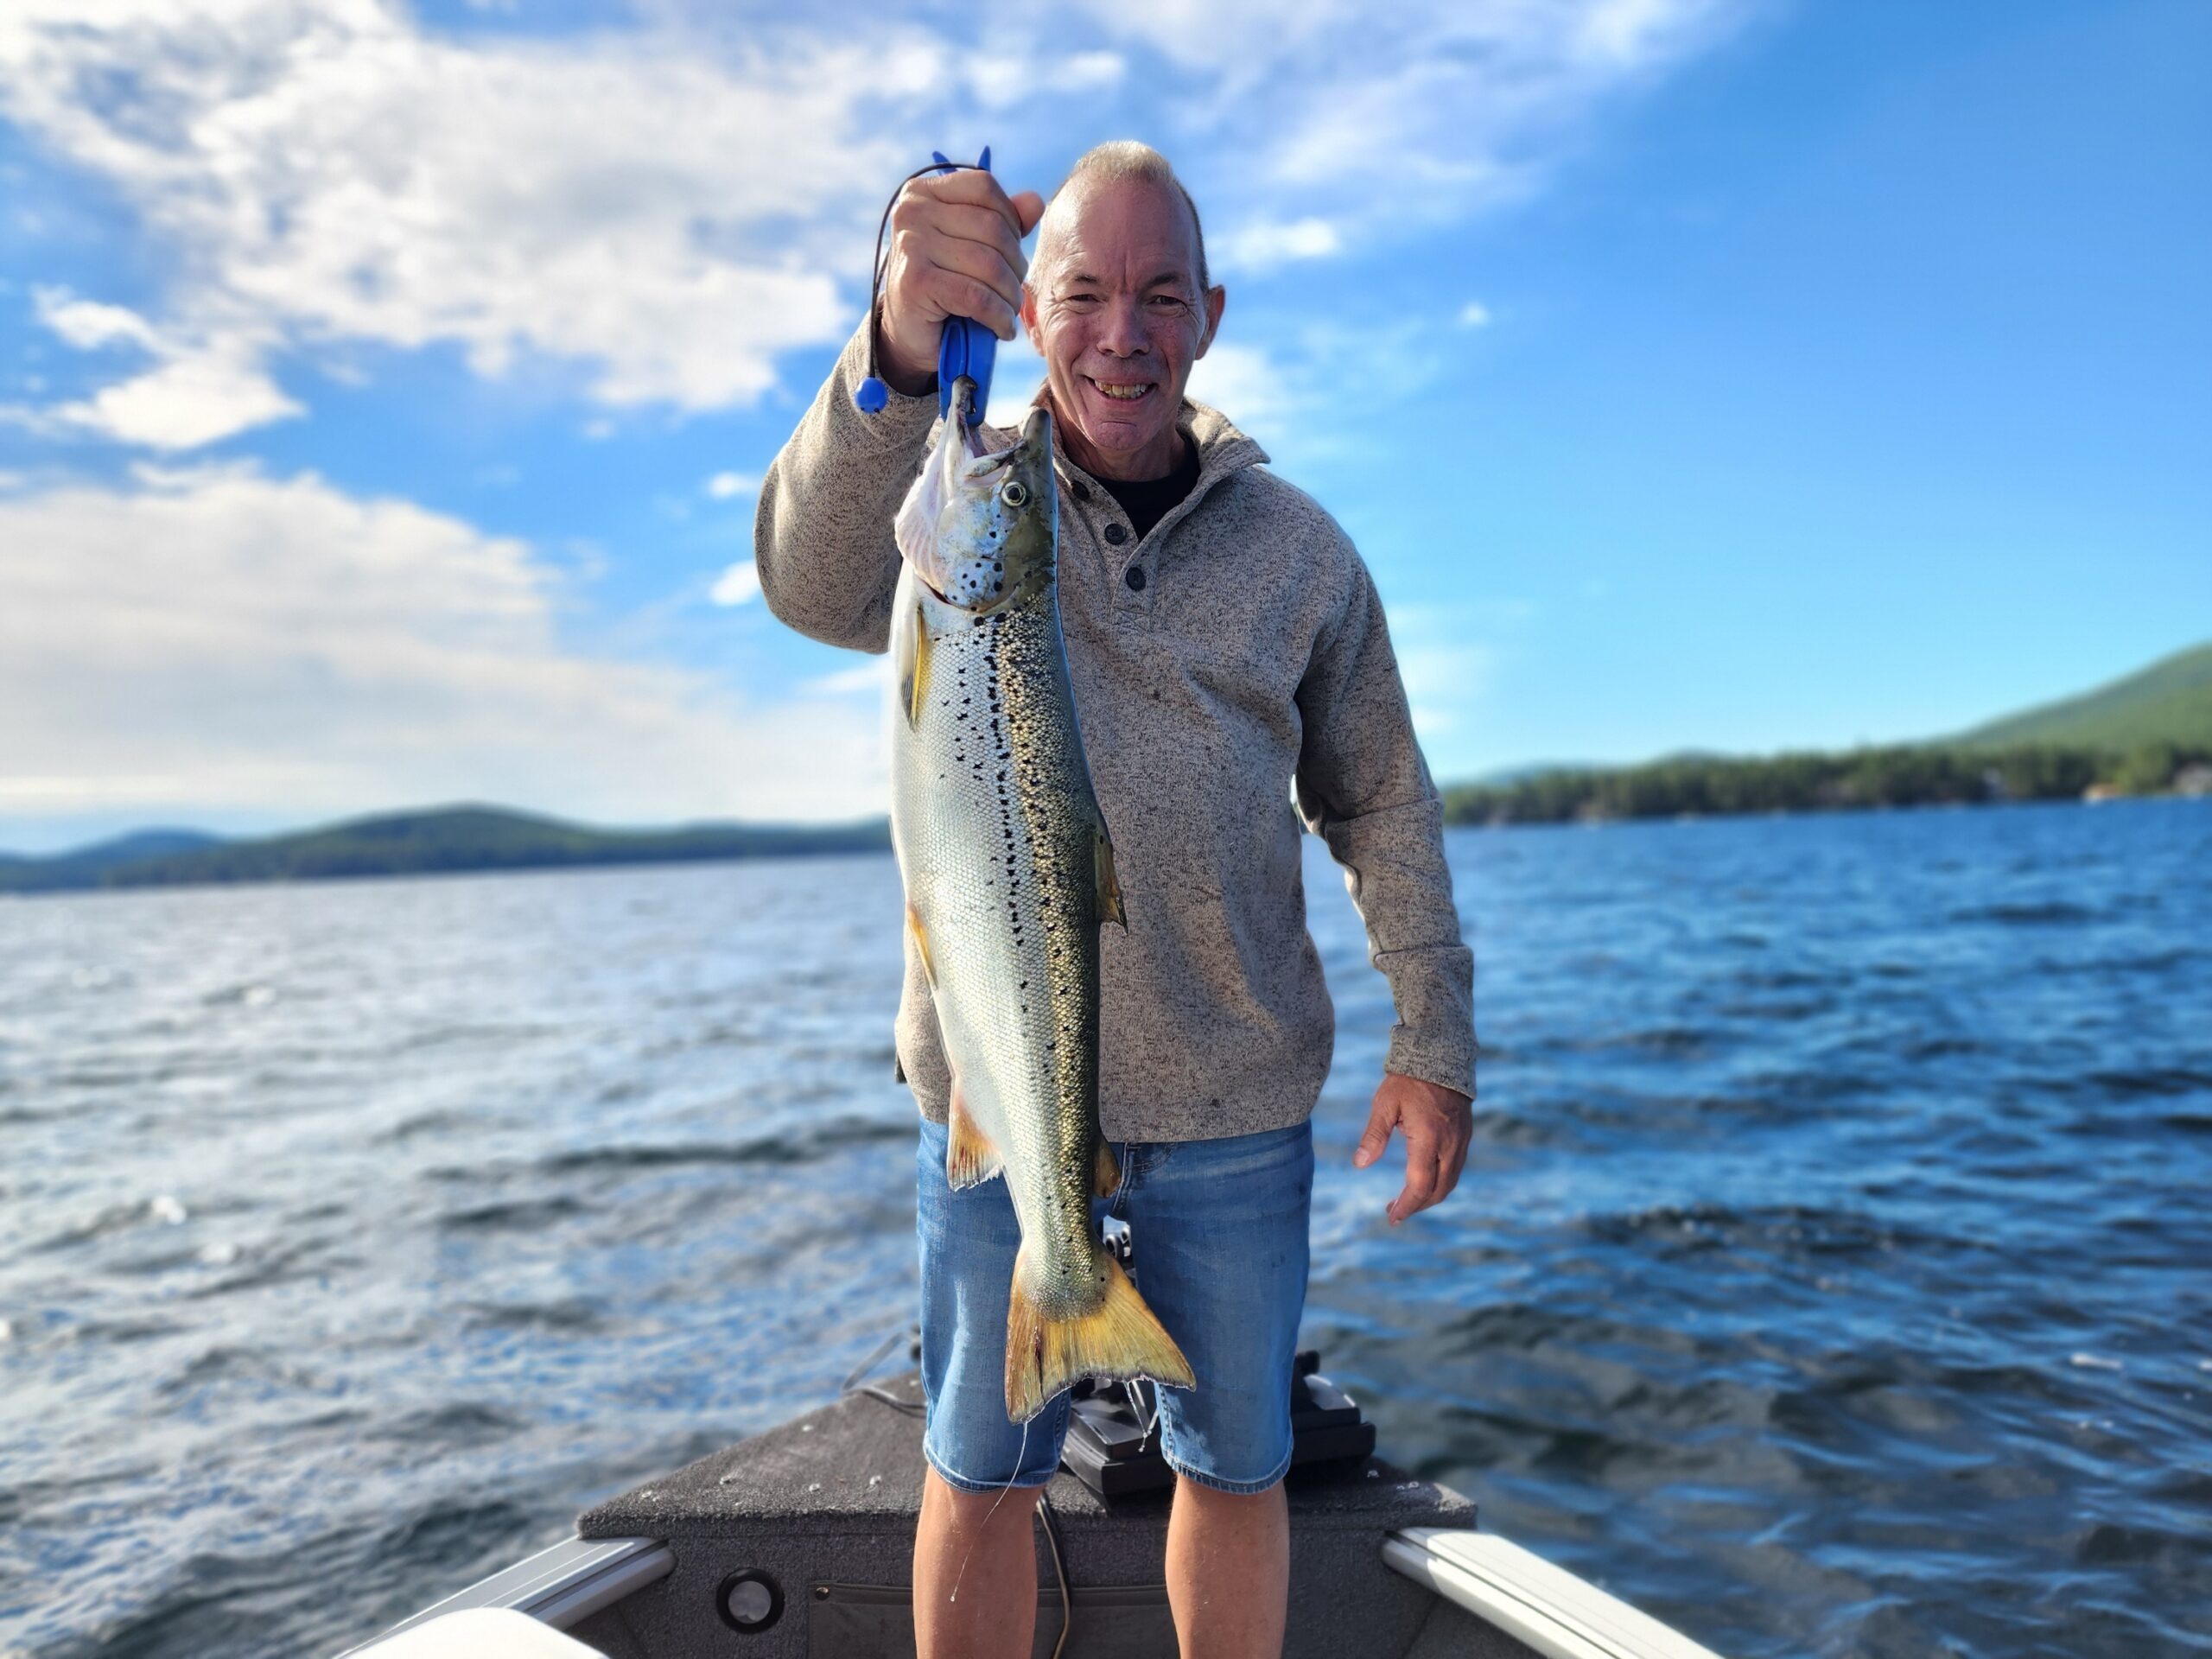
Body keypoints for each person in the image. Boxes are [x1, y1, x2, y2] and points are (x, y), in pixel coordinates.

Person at [755, 142, 1477, 1659]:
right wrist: (889, 354)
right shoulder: (967, 490)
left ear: (1209, 314)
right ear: (1029, 311)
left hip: (1232, 1103)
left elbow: (1384, 800)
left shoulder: (1304, 553)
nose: (1122, 332)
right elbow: (810, 579)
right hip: (992, 1102)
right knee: (981, 1469)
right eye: (1083, 292)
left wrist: (1434, 1034)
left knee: (1238, 1468)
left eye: (1159, 294)